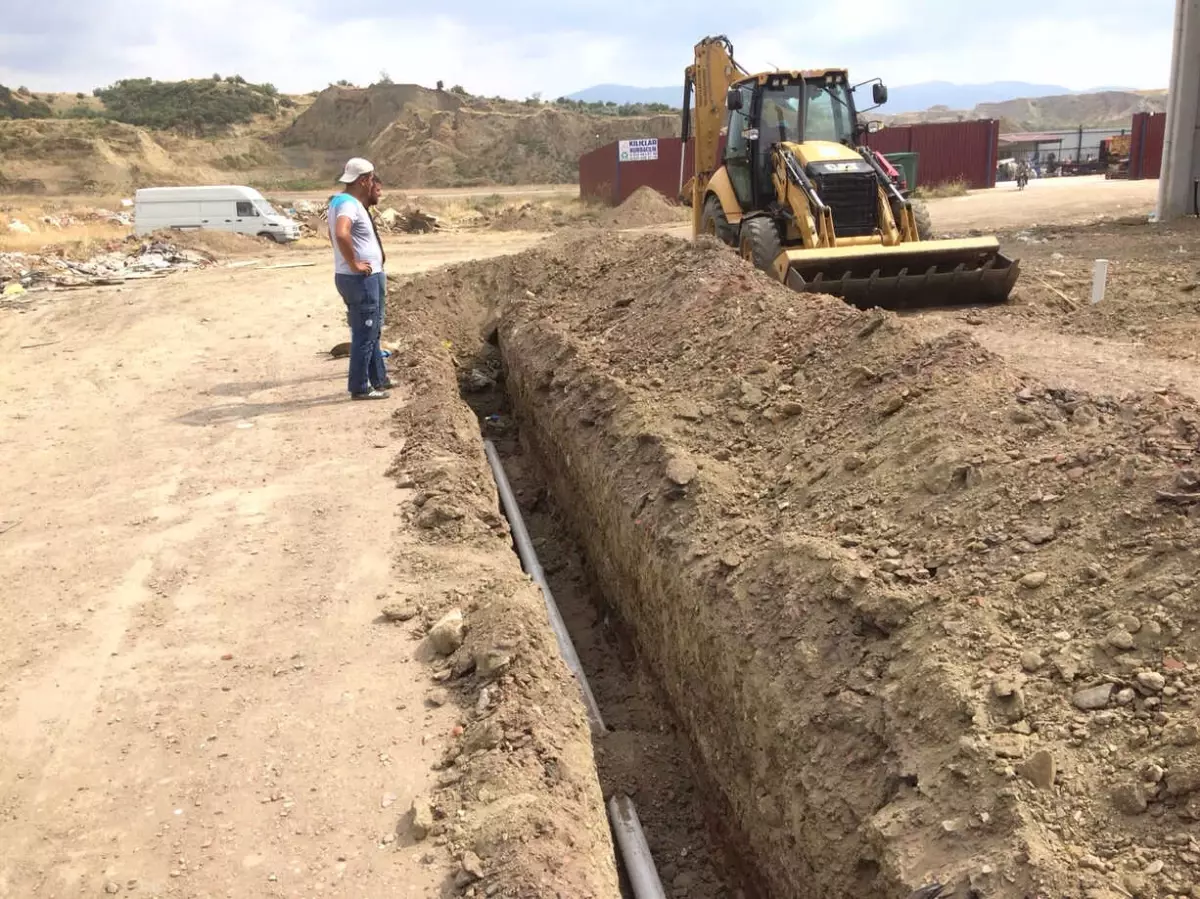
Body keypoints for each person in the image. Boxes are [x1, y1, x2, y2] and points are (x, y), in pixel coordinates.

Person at [329, 157, 393, 400]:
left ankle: (379, 379)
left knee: (372, 330)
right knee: (365, 333)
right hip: (360, 279)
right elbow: (340, 233)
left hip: (367, 276)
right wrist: (354, 262)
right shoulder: (348, 204)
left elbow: (335, 236)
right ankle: (360, 387)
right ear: (364, 180)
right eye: (371, 179)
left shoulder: (344, 202)